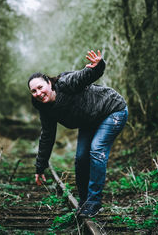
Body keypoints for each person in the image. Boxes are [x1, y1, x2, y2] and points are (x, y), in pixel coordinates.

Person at [28, 50, 128, 217]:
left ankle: (94, 203)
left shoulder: (66, 83)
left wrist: (98, 65)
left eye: (40, 87)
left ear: (49, 83)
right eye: (34, 91)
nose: (38, 93)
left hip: (112, 110)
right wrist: (40, 166)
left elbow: (87, 75)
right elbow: (47, 136)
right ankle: (84, 203)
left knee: (96, 150)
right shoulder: (45, 109)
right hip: (90, 120)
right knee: (81, 157)